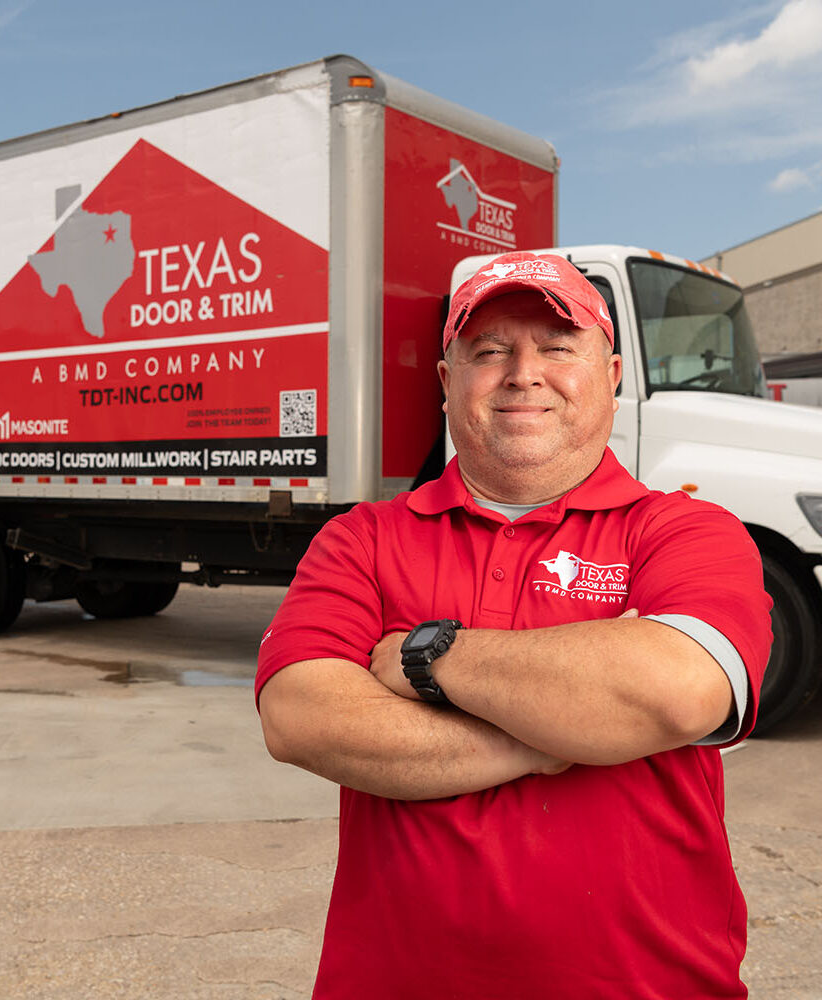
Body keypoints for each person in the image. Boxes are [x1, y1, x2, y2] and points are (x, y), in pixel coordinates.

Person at [255, 251, 772, 999]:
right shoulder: (361, 538)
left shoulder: (688, 532)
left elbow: (674, 695)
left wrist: (425, 656)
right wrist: (559, 734)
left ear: (614, 376)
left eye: (559, 347)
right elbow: (301, 718)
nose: (523, 373)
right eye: (490, 350)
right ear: (446, 382)